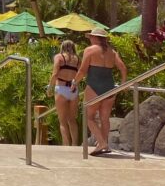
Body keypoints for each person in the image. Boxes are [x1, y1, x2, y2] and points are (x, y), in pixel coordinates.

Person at [72, 27, 127, 156]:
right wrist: (123, 84)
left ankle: (101, 143)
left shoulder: (90, 50)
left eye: (91, 37)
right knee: (104, 118)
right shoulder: (112, 52)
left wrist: (75, 82)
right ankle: (104, 144)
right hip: (109, 86)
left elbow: (83, 70)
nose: (90, 39)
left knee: (89, 117)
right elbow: (123, 68)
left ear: (96, 38)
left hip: (94, 86)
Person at [48, 40, 80, 147]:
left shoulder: (59, 57)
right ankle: (75, 145)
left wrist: (50, 87)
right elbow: (81, 74)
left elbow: (55, 74)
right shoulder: (77, 59)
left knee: (62, 121)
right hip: (73, 89)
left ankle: (66, 145)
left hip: (61, 88)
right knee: (72, 119)